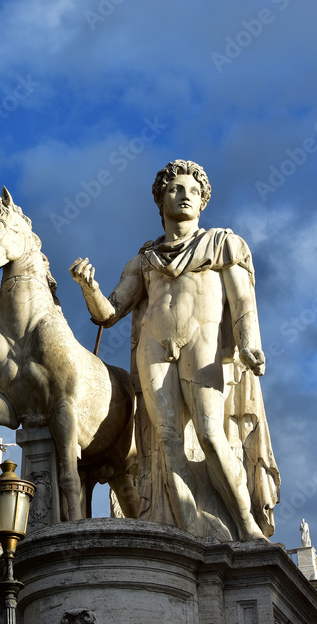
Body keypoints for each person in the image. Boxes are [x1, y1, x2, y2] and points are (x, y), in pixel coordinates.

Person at [70, 159, 278, 541]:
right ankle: (186, 528)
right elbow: (109, 312)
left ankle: (246, 525)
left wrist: (249, 344)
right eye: (176, 189)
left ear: (202, 203)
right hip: (154, 343)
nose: (185, 196)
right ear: (160, 199)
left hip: (203, 338)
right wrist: (88, 287)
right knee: (166, 443)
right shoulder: (145, 259)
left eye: (194, 192)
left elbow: (243, 300)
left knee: (211, 434)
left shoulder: (222, 243)